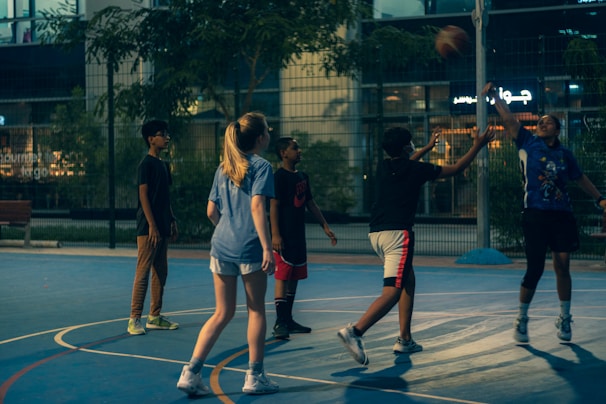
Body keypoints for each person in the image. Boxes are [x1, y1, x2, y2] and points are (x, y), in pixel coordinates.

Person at [337, 125, 495, 365]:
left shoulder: (383, 167)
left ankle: (405, 339)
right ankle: (355, 332)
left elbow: (408, 163)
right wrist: (478, 145)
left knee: (407, 279)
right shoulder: (415, 170)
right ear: (405, 146)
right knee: (393, 291)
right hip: (398, 235)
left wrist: (427, 148)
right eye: (411, 142)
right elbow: (456, 169)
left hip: (376, 234)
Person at [482, 82, 606, 343]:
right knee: (535, 268)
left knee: (563, 266)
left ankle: (564, 318)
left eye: (548, 122)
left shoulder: (564, 154)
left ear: (557, 129)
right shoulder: (527, 141)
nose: (542, 123)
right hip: (535, 213)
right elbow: (508, 117)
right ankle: (522, 318)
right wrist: (494, 97)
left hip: (561, 214)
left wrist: (600, 199)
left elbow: (580, 178)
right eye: (540, 121)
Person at [177, 112, 279, 396]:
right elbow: (258, 207)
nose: (270, 134)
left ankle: (191, 372)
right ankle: (254, 377)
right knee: (256, 310)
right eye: (268, 130)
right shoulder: (261, 167)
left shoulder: (223, 168)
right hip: (249, 248)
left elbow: (211, 212)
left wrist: (228, 229)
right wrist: (267, 247)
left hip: (221, 246)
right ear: (260, 138)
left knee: (222, 312)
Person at [270, 137, 337, 340]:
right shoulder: (278, 177)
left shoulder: (302, 177)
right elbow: (273, 205)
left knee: (295, 276)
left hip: (299, 235)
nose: (299, 150)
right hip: (284, 235)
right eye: (294, 148)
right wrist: (275, 234)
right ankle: (280, 322)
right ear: (283, 153)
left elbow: (311, 203)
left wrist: (324, 225)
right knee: (282, 276)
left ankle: (288, 318)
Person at [127, 120, 179, 336]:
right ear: (150, 139)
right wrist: (152, 225)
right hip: (148, 228)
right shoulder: (145, 165)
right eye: (161, 134)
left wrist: (172, 219)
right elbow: (143, 195)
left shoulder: (164, 165)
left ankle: (154, 316)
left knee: (161, 271)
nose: (166, 137)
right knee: (144, 271)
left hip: (163, 225)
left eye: (167, 134)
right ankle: (134, 319)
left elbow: (165, 198)